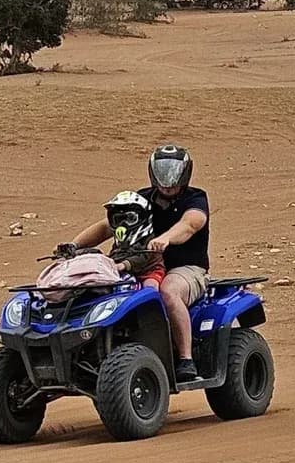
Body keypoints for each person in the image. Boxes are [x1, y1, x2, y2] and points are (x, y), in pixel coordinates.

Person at [70, 145, 210, 383]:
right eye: (162, 173)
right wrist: (73, 246)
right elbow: (107, 226)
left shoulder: (195, 198)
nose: (167, 182)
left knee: (167, 292)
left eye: (173, 174)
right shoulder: (142, 198)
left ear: (185, 173)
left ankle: (186, 359)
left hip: (185, 268)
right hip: (140, 266)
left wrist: (166, 238)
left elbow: (190, 225)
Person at [102, 190, 164, 289]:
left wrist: (124, 265)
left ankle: (154, 304)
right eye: (118, 219)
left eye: (131, 219)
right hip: (125, 272)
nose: (124, 224)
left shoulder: (149, 239)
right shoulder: (120, 241)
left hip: (149, 272)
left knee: (150, 289)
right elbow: (116, 253)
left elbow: (142, 257)